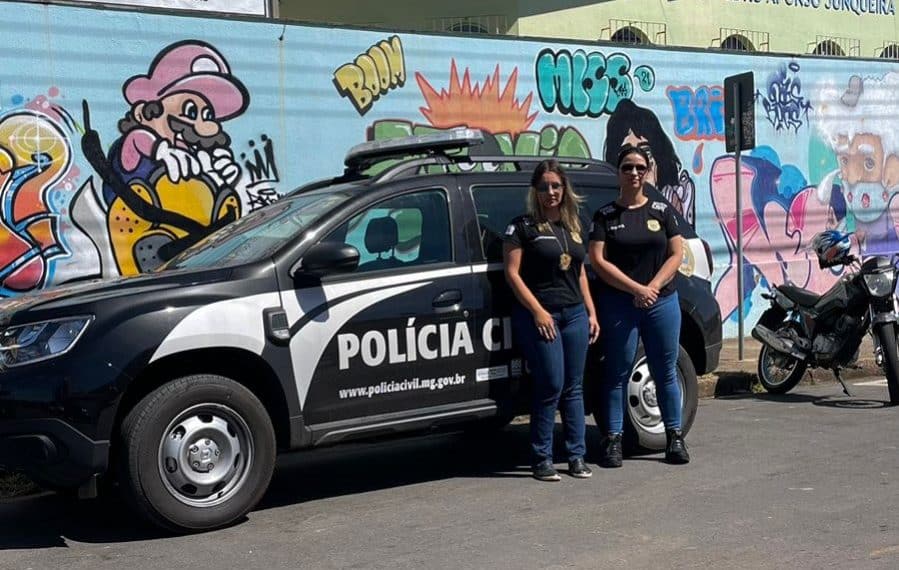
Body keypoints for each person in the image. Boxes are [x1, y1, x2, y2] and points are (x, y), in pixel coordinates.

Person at [588, 144, 690, 468]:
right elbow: (597, 260)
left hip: (662, 302)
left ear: (647, 172)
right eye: (627, 167)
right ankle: (613, 439)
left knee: (665, 370)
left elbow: (677, 254)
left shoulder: (662, 211)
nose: (634, 173)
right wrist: (635, 289)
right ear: (618, 173)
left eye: (639, 168)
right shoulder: (605, 216)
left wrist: (653, 287)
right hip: (619, 303)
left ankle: (674, 437)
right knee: (616, 371)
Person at [503, 159, 600, 482]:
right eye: (544, 186)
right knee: (551, 384)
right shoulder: (522, 227)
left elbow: (580, 272)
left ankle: (576, 456)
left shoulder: (573, 224)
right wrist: (538, 312)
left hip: (574, 314)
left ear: (564, 189)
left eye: (556, 186)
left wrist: (591, 311)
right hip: (541, 315)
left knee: (574, 387)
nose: (551, 192)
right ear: (535, 190)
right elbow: (512, 275)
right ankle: (541, 457)